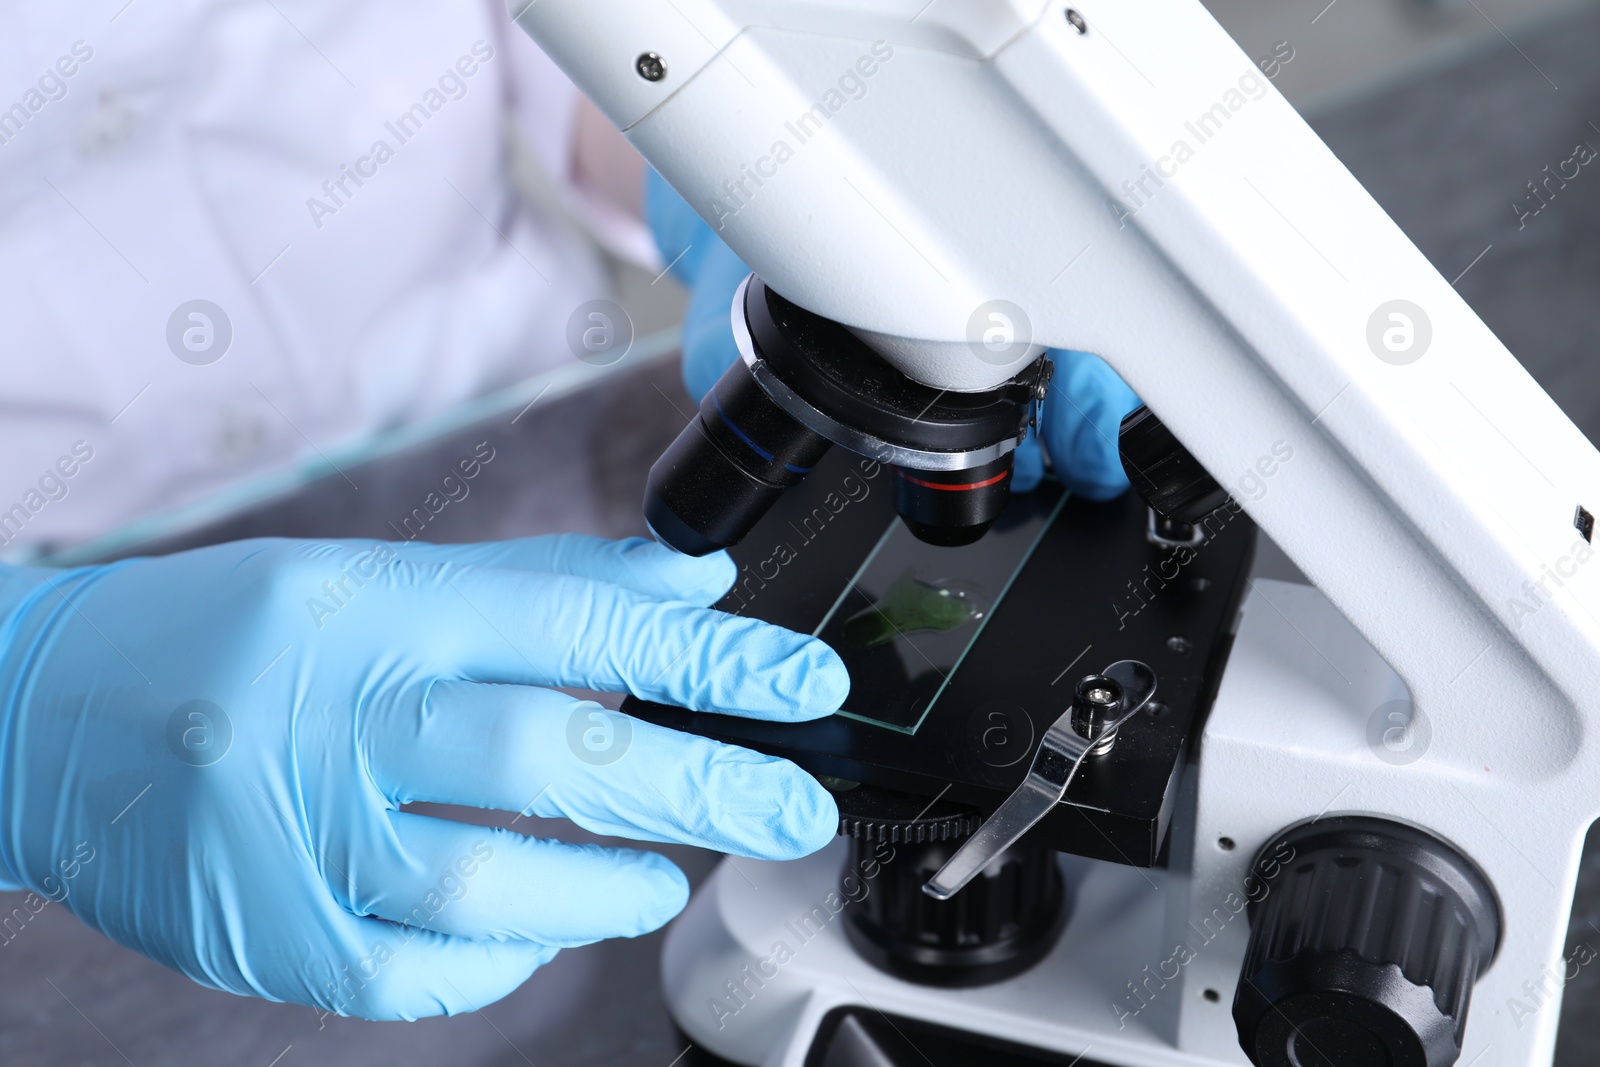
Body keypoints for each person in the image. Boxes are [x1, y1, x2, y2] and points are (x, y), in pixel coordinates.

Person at [0, 1, 1137, 1022]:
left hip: (566, 513)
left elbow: (612, 47)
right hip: (85, 750)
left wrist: (755, 182)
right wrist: (25, 704)